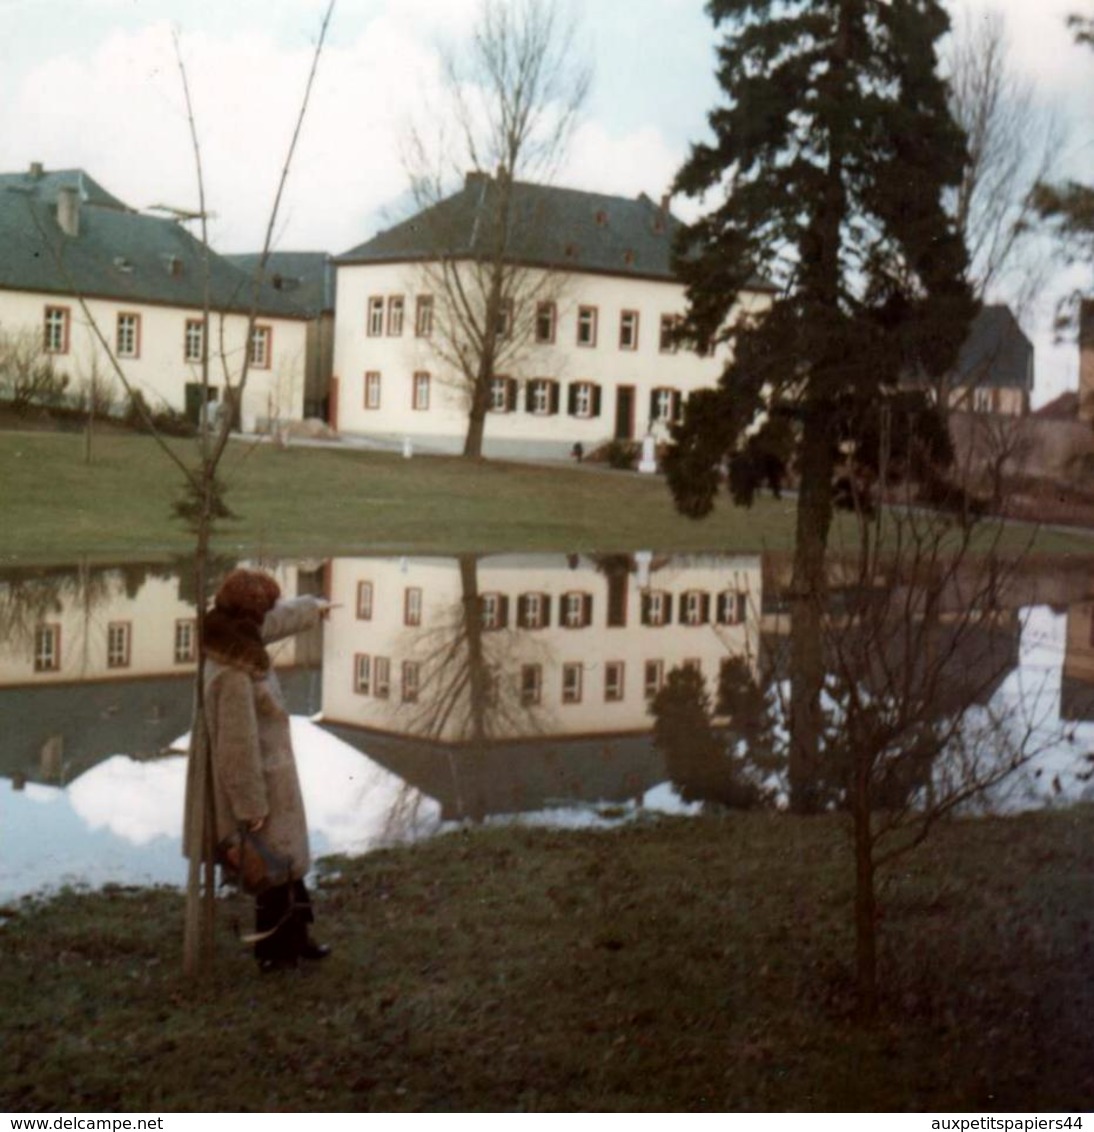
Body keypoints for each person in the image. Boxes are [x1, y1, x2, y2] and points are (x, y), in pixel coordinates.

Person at [197, 567, 332, 973]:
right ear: (248, 616)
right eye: (263, 611)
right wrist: (250, 808)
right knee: (272, 874)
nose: (266, 619)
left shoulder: (228, 635)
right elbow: (236, 748)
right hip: (261, 787)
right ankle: (275, 955)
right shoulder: (234, 673)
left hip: (272, 776)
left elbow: (275, 621)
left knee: (286, 866)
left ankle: (298, 940)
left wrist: (314, 609)